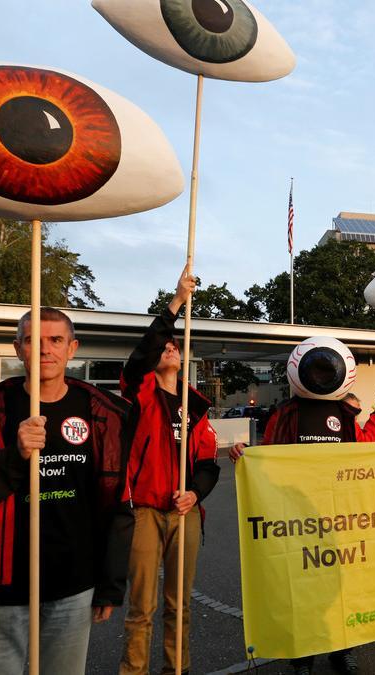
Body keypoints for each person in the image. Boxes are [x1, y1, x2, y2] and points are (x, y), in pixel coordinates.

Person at [0, 307, 133, 675]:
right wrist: (14, 457)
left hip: (73, 589)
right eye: (32, 341)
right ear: (17, 349)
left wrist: (110, 583)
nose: (44, 350)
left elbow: (117, 503)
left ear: (72, 349)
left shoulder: (101, 411)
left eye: (55, 340)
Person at [229, 336, 368, 675]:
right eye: (317, 369)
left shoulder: (345, 415)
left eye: (326, 370)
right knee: (301, 586)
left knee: (339, 586)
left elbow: (366, 456)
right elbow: (268, 460)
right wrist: (245, 456)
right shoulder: (285, 414)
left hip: (337, 516)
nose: (321, 375)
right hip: (296, 518)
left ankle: (341, 648)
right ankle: (302, 656)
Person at [119, 269, 220, 675]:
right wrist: (176, 303)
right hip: (143, 510)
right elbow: (143, 352)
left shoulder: (195, 406)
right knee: (142, 605)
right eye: (165, 346)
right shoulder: (139, 393)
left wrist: (194, 493)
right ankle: (133, 671)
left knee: (180, 604)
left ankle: (177, 670)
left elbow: (209, 464)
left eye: (176, 346)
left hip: (184, 513)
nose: (170, 349)